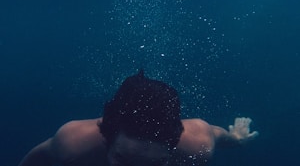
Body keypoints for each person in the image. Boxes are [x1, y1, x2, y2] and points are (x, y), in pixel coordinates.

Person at [18, 70, 259, 166]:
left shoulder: (197, 145)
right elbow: (34, 159)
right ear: (106, 138)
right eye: (124, 160)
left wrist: (237, 137)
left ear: (175, 144)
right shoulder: (73, 143)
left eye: (154, 165)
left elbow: (219, 135)